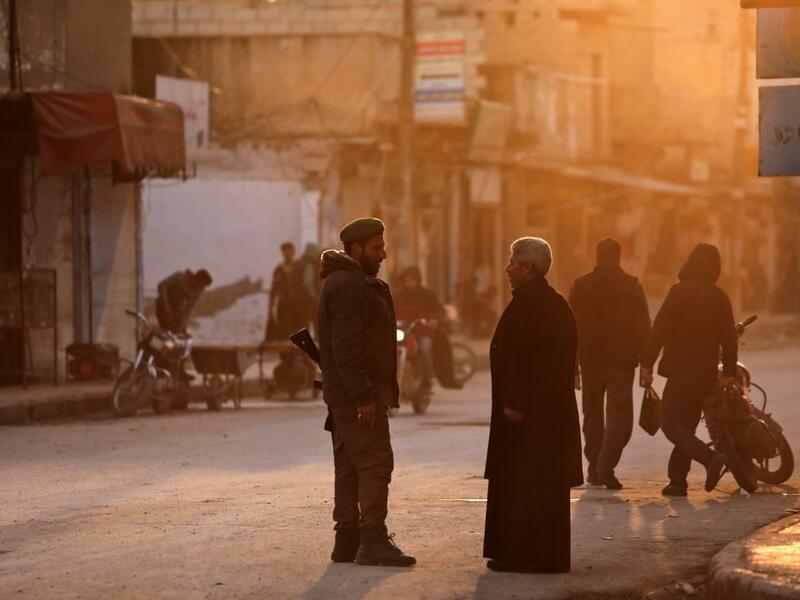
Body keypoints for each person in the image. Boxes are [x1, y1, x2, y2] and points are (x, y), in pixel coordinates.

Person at [317, 217, 415, 568]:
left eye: (382, 246)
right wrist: (362, 396)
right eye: (376, 248)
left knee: (349, 467)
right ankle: (372, 540)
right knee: (375, 463)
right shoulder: (347, 286)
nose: (383, 254)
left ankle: (347, 542)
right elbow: (347, 348)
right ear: (355, 249)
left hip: (347, 394)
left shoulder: (352, 282)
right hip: (356, 396)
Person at [483, 237, 583, 573]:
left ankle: (533, 556)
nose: (508, 269)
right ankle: (523, 553)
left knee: (531, 485)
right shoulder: (546, 302)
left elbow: (535, 362)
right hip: (540, 413)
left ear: (528, 267)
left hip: (532, 415)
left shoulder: (536, 305)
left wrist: (517, 401)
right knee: (527, 484)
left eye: (512, 262)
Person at [640, 243, 737, 497]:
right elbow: (729, 338)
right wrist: (728, 371)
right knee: (686, 427)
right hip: (706, 374)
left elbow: (658, 330)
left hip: (680, 371)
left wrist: (647, 363)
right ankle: (677, 482)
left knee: (670, 424)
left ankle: (710, 459)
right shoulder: (719, 297)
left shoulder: (679, 292)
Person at [568, 239, 651, 490]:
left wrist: (573, 367)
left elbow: (568, 329)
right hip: (622, 362)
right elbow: (643, 327)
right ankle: (606, 466)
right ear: (618, 257)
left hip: (590, 360)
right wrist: (647, 364)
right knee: (620, 417)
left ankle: (595, 467)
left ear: (597, 257)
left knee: (592, 416)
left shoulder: (580, 286)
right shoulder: (631, 286)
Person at [394, 266, 444, 393]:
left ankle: (427, 381)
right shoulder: (397, 296)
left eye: (412, 280)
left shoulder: (427, 295)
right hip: (403, 332)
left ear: (418, 280)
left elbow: (439, 309)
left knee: (425, 348)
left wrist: (435, 319)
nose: (409, 283)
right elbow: (388, 311)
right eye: (406, 280)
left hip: (422, 331)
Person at [265, 242, 306, 340]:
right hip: (284, 306)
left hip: (298, 305)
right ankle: (286, 355)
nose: (287, 254)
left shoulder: (300, 267)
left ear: (293, 252)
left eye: (289, 251)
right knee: (284, 331)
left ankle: (297, 354)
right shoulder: (278, 270)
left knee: (298, 330)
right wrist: (270, 308)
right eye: (285, 252)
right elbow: (274, 290)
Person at [155, 268, 212, 334]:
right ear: (197, 280)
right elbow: (162, 285)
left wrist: (182, 324)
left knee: (178, 332)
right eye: (202, 285)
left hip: (177, 311)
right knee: (166, 331)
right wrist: (165, 305)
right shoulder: (179, 276)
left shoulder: (198, 290)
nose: (202, 288)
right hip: (162, 307)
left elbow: (189, 308)